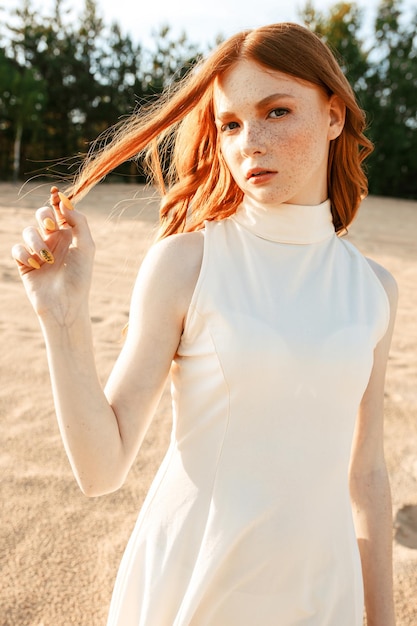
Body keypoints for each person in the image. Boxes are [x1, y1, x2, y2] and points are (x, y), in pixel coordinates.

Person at [12, 22, 397, 626]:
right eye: (231, 124)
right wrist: (61, 316)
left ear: (334, 115)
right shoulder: (187, 262)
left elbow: (367, 475)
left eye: (276, 111)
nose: (251, 142)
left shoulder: (375, 290)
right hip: (194, 582)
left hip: (323, 594)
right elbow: (101, 470)